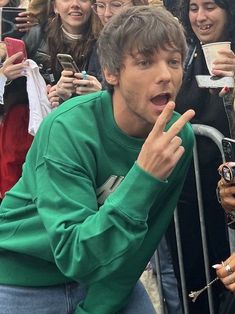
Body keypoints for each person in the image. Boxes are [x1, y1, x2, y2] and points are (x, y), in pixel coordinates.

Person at [0, 6, 195, 314]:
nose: (165, 75)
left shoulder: (177, 138)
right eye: (145, 62)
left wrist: (95, 309)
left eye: (174, 62)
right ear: (111, 72)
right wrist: (143, 176)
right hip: (24, 275)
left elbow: (141, 246)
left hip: (105, 276)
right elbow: (74, 252)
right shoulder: (69, 127)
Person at [166, 0, 235, 313]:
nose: (200, 17)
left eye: (211, 6)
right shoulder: (187, 54)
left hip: (226, 205)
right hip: (187, 199)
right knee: (193, 285)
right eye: (194, 7)